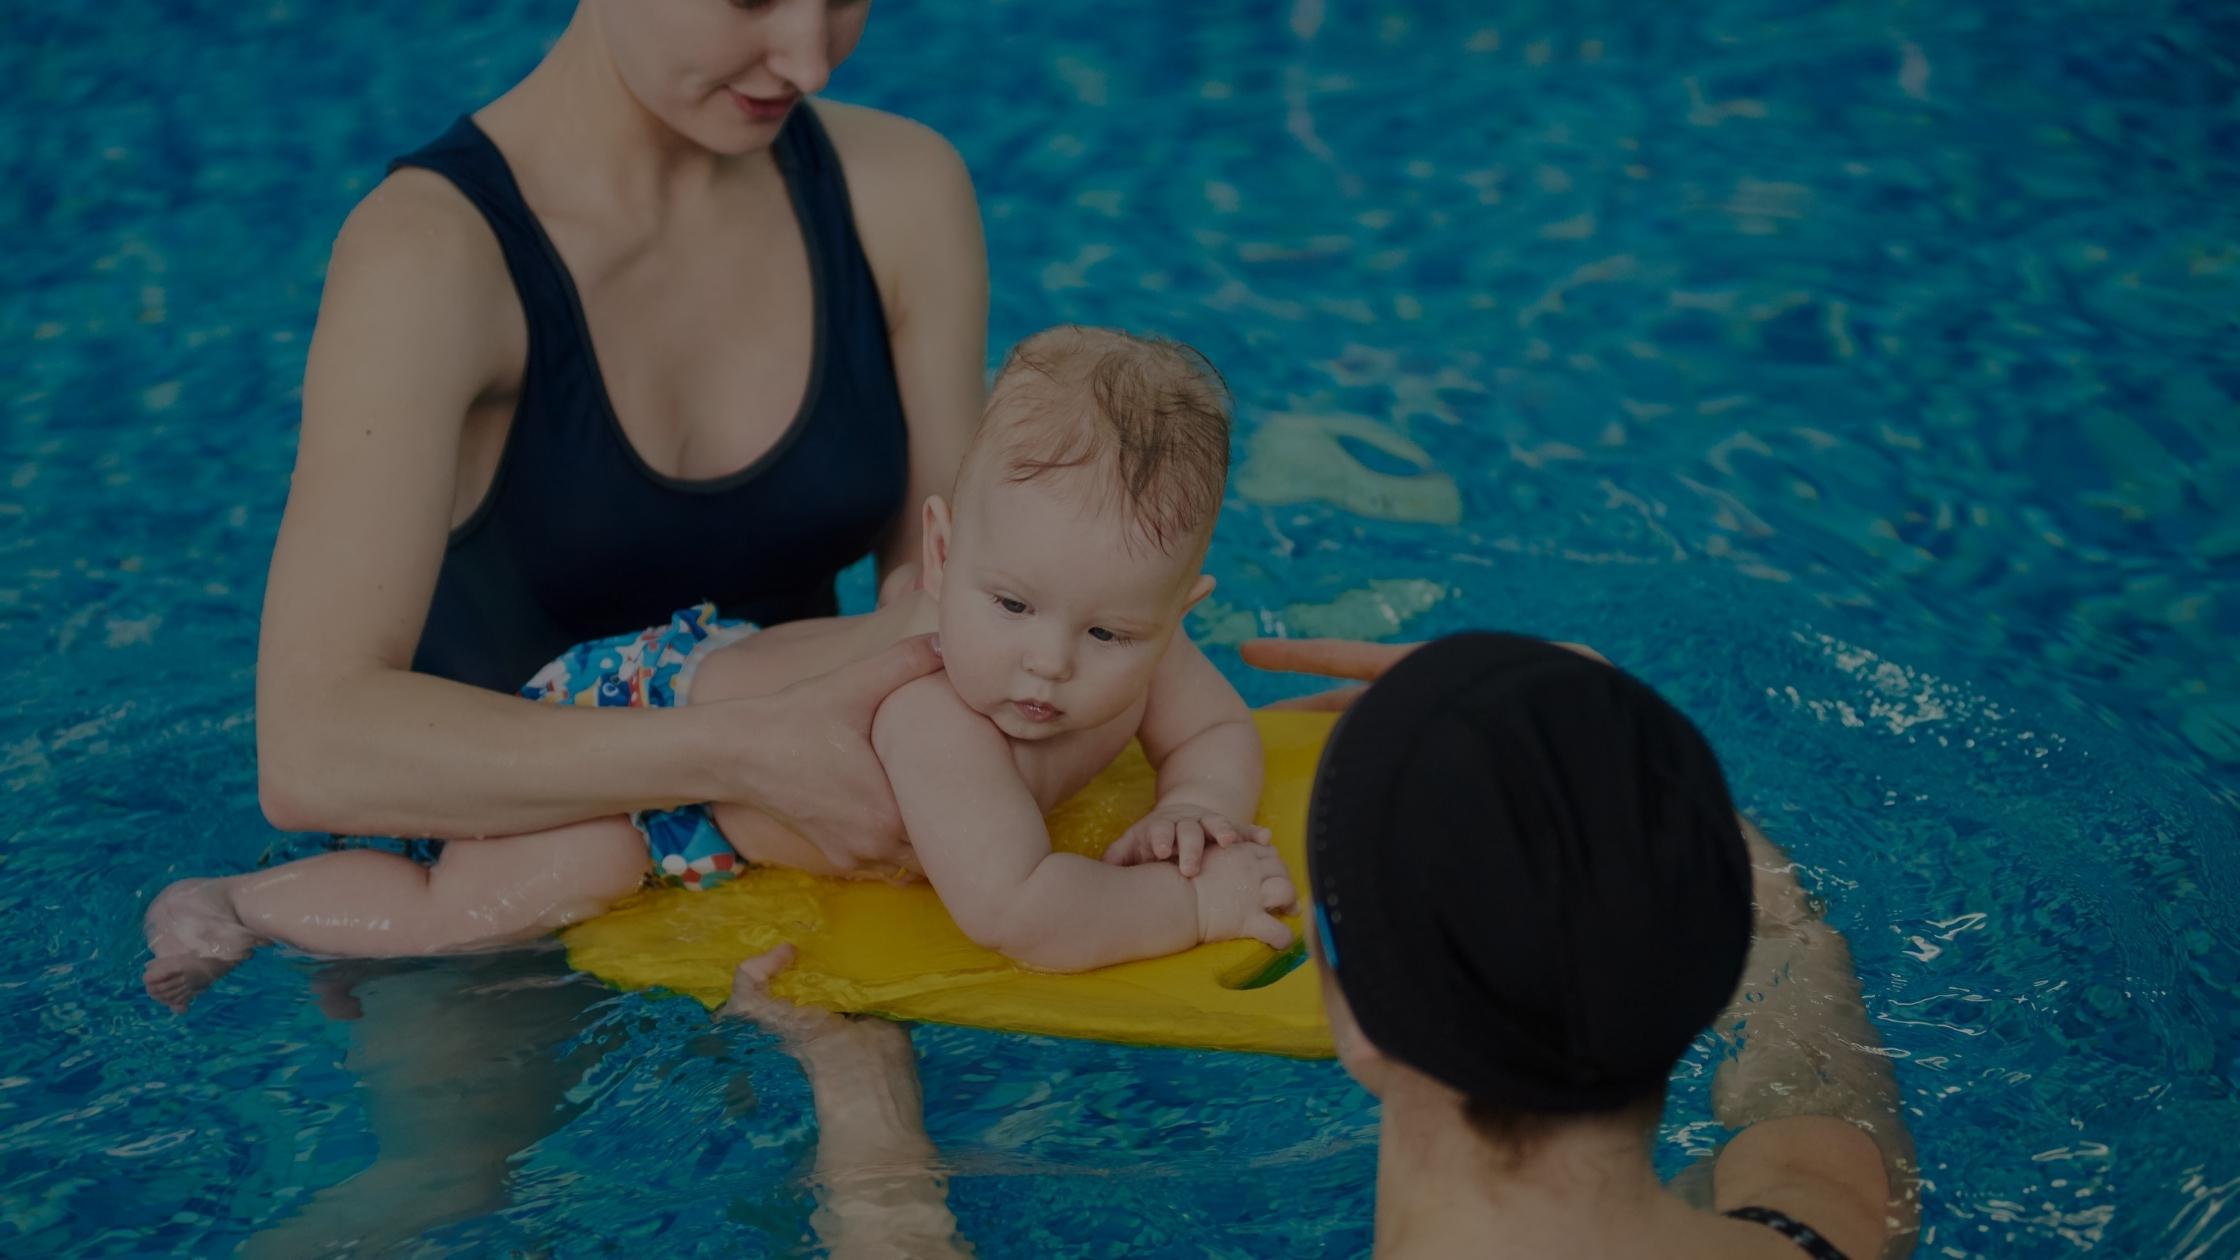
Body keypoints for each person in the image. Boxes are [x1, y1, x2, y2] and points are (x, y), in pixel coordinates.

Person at [192, 0, 987, 1248]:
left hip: (782, 833)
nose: (808, 54)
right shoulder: (432, 258)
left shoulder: (898, 192)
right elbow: (312, 748)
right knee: (443, 1195)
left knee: (898, 1178)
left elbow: (960, 608)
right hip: (482, 876)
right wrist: (734, 752)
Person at [146, 328, 1299, 1006]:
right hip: (648, 732)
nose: (1046, 664)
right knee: (507, 897)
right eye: (1007, 604)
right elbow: (1022, 912)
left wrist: (1194, 806)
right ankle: (240, 902)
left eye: (1109, 636)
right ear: (939, 555)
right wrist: (1187, 900)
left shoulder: (1133, 643)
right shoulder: (938, 711)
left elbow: (1210, 732)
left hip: (732, 684)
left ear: (1173, 611)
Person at [715, 632, 1920, 1258]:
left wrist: (858, 1081)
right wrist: (1592, 746)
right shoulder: (1824, 1221)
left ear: (1341, 1004)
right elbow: (1795, 970)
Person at [1255, 633, 1919, 1259]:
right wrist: (1613, 760)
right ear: (1702, 970)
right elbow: (1791, 962)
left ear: (1338, 982)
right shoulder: (1834, 1215)